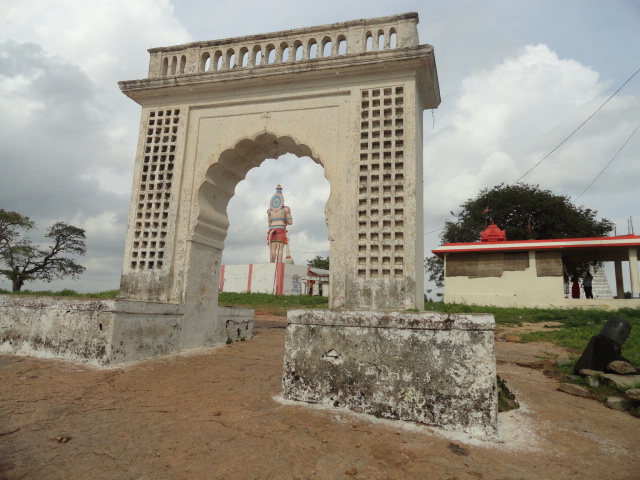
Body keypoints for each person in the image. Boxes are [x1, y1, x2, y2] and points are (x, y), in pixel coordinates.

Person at [267, 185, 292, 263]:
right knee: (280, 249)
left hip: (271, 229)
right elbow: (290, 222)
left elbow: (269, 223)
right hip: (281, 228)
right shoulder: (285, 209)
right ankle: (279, 263)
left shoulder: (269, 211)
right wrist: (285, 221)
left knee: (272, 249)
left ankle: (272, 263)